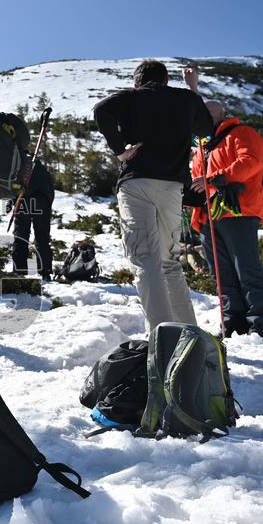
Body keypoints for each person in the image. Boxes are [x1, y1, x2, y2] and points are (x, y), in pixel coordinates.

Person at [93, 61, 213, 332]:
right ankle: (189, 335)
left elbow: (101, 110)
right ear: (166, 80)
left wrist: (119, 151)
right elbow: (206, 128)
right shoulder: (184, 99)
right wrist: (193, 90)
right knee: (169, 262)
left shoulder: (133, 97)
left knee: (145, 259)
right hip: (172, 187)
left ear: (137, 82)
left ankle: (163, 338)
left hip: (137, 183)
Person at [188, 99, 263, 340]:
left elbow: (250, 163)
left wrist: (214, 179)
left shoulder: (241, 133)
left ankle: (260, 323)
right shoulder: (202, 147)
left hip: (239, 212)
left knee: (246, 269)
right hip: (208, 217)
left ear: (221, 114)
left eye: (208, 114)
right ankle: (233, 321)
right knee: (221, 274)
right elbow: (197, 180)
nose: (203, 119)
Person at [12, 155, 55, 280]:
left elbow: (11, 185)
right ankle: (45, 271)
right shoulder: (39, 166)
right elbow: (49, 188)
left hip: (23, 201)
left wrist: (13, 203)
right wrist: (47, 204)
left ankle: (19, 272)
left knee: (21, 237)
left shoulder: (16, 162)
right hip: (41, 202)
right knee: (42, 238)